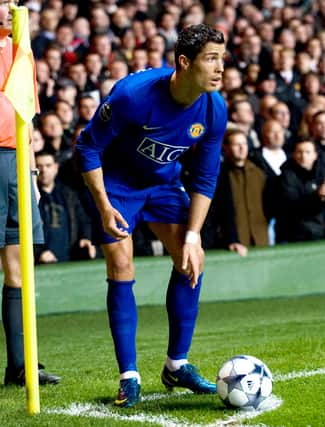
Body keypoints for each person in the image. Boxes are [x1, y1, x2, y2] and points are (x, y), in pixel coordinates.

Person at [75, 24, 227, 408]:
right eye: (211, 59)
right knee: (122, 265)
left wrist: (193, 235)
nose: (220, 68)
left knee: (193, 260)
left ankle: (177, 364)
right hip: (117, 186)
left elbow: (206, 177)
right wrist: (104, 205)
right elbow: (88, 147)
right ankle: (129, 377)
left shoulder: (214, 108)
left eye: (222, 59)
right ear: (183, 62)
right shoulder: (133, 96)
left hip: (162, 185)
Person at [0, 0, 60, 386]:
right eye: (2, 0)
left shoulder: (22, 49)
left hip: (18, 161)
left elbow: (28, 117)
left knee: (19, 267)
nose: (9, 7)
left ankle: (21, 365)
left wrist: (34, 175)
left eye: (13, 1)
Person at [203, 129, 268, 255]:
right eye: (236, 144)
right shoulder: (219, 175)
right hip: (234, 240)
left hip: (260, 238)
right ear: (225, 148)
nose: (241, 148)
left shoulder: (259, 173)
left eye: (244, 144)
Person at [35, 151, 96, 263]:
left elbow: (84, 220)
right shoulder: (28, 198)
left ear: (56, 168)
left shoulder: (69, 195)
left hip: (70, 260)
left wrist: (86, 238)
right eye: (39, 166)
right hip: (40, 263)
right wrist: (38, 253)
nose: (43, 170)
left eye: (48, 166)